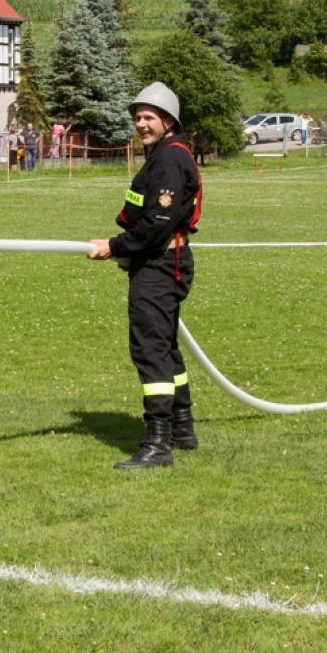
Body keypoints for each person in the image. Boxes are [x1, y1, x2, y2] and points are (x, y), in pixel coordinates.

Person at [88, 83, 203, 469]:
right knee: (165, 346)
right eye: (138, 117)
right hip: (158, 261)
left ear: (169, 121)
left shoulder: (169, 160)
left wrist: (115, 246)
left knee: (150, 351)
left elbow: (157, 223)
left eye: (149, 117)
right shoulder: (164, 155)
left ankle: (158, 443)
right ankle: (181, 430)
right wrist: (130, 253)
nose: (141, 124)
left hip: (160, 264)